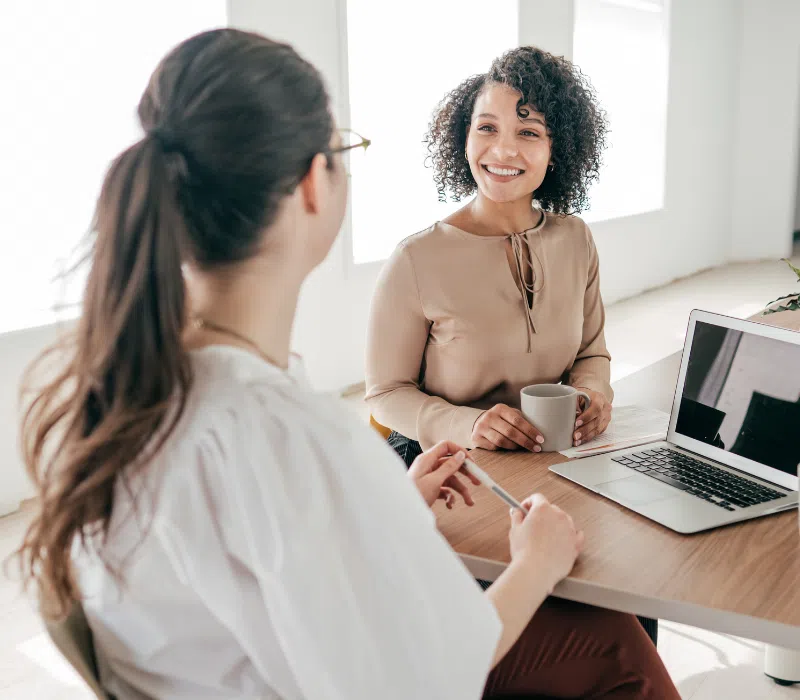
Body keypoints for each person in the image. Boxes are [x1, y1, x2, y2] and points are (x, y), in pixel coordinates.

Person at [15, 29, 679, 699]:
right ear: (312, 183)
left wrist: (391, 504)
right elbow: (426, 677)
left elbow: (269, 566)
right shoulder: (294, 433)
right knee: (616, 644)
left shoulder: (135, 390)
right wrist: (537, 563)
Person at [366, 47, 615, 468]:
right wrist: (470, 424)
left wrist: (593, 395)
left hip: (545, 456)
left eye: (529, 132)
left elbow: (591, 354)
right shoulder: (416, 259)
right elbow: (385, 394)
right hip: (441, 463)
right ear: (464, 138)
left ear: (558, 150)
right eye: (486, 128)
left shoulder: (575, 239)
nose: (502, 151)